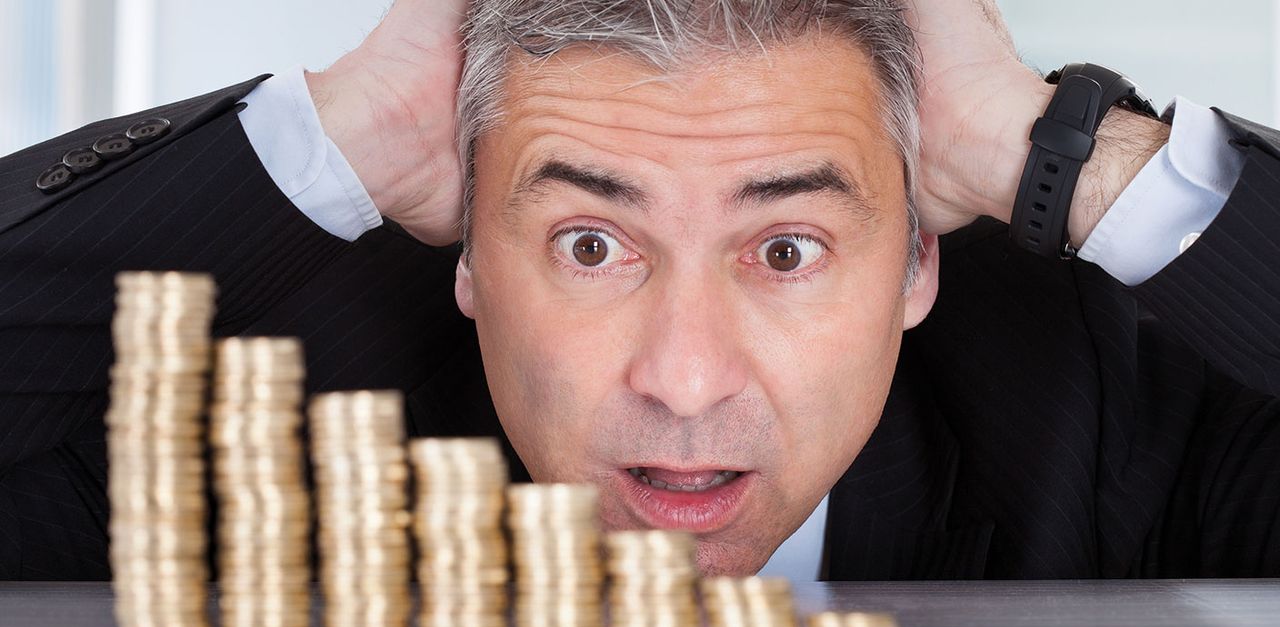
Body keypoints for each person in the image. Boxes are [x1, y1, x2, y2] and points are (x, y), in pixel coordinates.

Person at [0, 0, 1276, 581]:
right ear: (464, 263)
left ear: (917, 263)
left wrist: (1060, 156)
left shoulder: (1097, 396)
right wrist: (344, 132)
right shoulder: (259, 407)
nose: (681, 377)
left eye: (784, 250)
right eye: (589, 244)